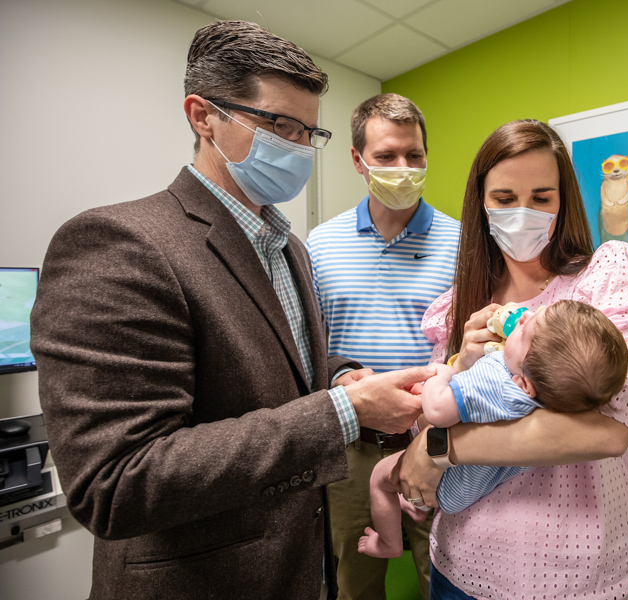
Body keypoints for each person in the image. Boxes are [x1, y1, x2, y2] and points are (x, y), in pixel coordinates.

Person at [30, 21, 434, 600]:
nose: (297, 147)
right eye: (279, 125)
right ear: (202, 115)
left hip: (299, 567)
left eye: (308, 132)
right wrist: (343, 411)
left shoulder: (287, 245)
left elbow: (286, 365)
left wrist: (341, 374)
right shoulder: (119, 244)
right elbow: (117, 483)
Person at [391, 119, 628, 599]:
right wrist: (464, 368)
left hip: (580, 575)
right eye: (504, 198)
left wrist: (441, 446)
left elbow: (609, 432)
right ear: (481, 203)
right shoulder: (461, 305)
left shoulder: (603, 280)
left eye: (542, 198)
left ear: (564, 202)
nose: (523, 213)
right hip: (462, 561)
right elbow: (432, 413)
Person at [305, 93, 460, 600]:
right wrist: (340, 377)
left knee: (444, 575)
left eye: (414, 156)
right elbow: (308, 345)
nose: (404, 168)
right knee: (354, 580)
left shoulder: (463, 244)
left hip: (438, 443)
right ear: (358, 160)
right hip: (351, 447)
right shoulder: (320, 244)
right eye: (388, 156)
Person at [359, 299, 628, 558]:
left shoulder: (495, 379)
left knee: (379, 478)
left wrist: (440, 375)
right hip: (469, 485)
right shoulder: (551, 396)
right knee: (409, 485)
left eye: (525, 331)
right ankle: (417, 504)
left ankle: (388, 543)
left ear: (524, 384)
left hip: (451, 481)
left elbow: (437, 412)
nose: (523, 316)